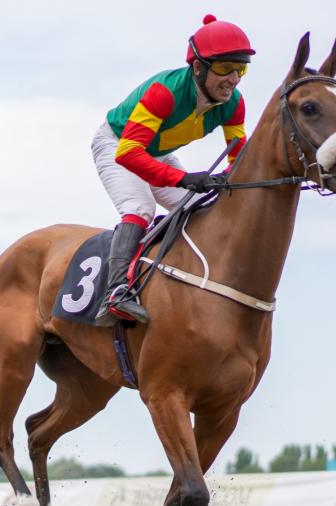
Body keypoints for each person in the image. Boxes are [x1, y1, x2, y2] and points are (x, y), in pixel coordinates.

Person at [92, 14, 254, 327]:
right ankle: (116, 292)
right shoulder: (164, 92)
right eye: (225, 68)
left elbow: (238, 157)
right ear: (198, 67)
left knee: (201, 207)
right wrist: (184, 178)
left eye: (241, 69)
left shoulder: (234, 103)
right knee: (140, 208)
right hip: (117, 144)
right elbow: (128, 154)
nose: (234, 79)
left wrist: (234, 181)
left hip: (155, 152)